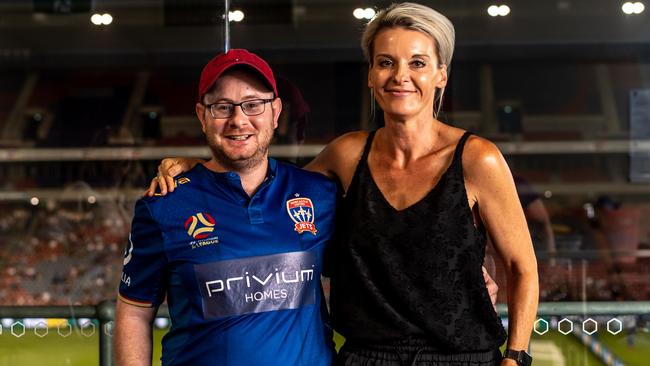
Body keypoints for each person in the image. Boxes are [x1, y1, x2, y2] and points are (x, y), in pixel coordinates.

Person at [149, 3, 538, 365]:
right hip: (365, 357)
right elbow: (268, 186)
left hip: (461, 357)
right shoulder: (348, 155)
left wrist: (516, 357)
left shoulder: (477, 159)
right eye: (386, 62)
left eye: (417, 63)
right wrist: (202, 168)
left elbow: (522, 266)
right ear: (371, 75)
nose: (400, 76)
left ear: (441, 75)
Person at [114, 49, 338, 366]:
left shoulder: (320, 194)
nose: (238, 120)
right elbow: (135, 313)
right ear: (202, 116)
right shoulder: (164, 204)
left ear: (275, 112)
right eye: (222, 107)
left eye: (253, 104)